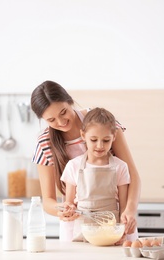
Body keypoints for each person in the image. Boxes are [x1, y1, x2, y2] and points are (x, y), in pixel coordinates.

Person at [30, 80, 141, 241]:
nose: (61, 122)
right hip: (76, 226)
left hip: (117, 222)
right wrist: (61, 209)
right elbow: (48, 200)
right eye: (51, 120)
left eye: (63, 112)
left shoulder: (102, 123)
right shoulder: (45, 143)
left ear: (70, 101)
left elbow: (133, 177)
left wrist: (129, 210)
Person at [60, 107, 138, 242]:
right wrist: (68, 208)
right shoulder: (73, 166)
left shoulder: (120, 167)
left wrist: (122, 231)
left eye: (106, 140)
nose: (100, 145)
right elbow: (69, 202)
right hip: (81, 233)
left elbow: (124, 207)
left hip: (110, 235)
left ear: (114, 136)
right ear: (83, 135)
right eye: (94, 139)